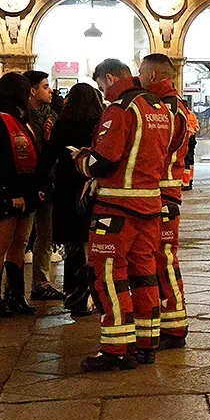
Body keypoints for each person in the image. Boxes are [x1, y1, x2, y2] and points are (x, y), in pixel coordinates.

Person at [73, 58, 172, 371]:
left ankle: (116, 350)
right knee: (145, 277)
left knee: (109, 277)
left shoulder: (121, 108)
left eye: (101, 84)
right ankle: (147, 345)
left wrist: (81, 160)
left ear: (110, 77)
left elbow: (105, 160)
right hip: (150, 206)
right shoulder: (159, 109)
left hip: (117, 209)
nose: (101, 92)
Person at [139, 53, 192, 349]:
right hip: (165, 193)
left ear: (153, 76)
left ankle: (173, 326)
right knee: (163, 258)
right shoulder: (176, 105)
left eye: (142, 73)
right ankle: (171, 322)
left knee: (164, 259)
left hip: (161, 194)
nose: (139, 78)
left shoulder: (164, 109)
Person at [0, 73, 41, 317]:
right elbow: (0, 159)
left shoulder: (18, 117)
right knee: (1, 241)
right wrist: (11, 192)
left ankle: (16, 295)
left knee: (19, 242)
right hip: (5, 190)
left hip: (24, 190)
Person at [39, 83, 103, 316]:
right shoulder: (100, 123)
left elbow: (50, 157)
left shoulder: (62, 124)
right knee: (95, 246)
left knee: (74, 247)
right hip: (93, 190)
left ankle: (76, 299)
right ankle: (97, 297)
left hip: (68, 191)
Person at [22, 71, 64, 301]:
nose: (50, 91)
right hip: (28, 181)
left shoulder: (52, 115)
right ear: (32, 90)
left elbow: (55, 148)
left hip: (48, 181)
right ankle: (13, 286)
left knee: (45, 235)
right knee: (21, 236)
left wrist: (50, 139)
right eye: (45, 86)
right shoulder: (21, 116)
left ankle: (41, 282)